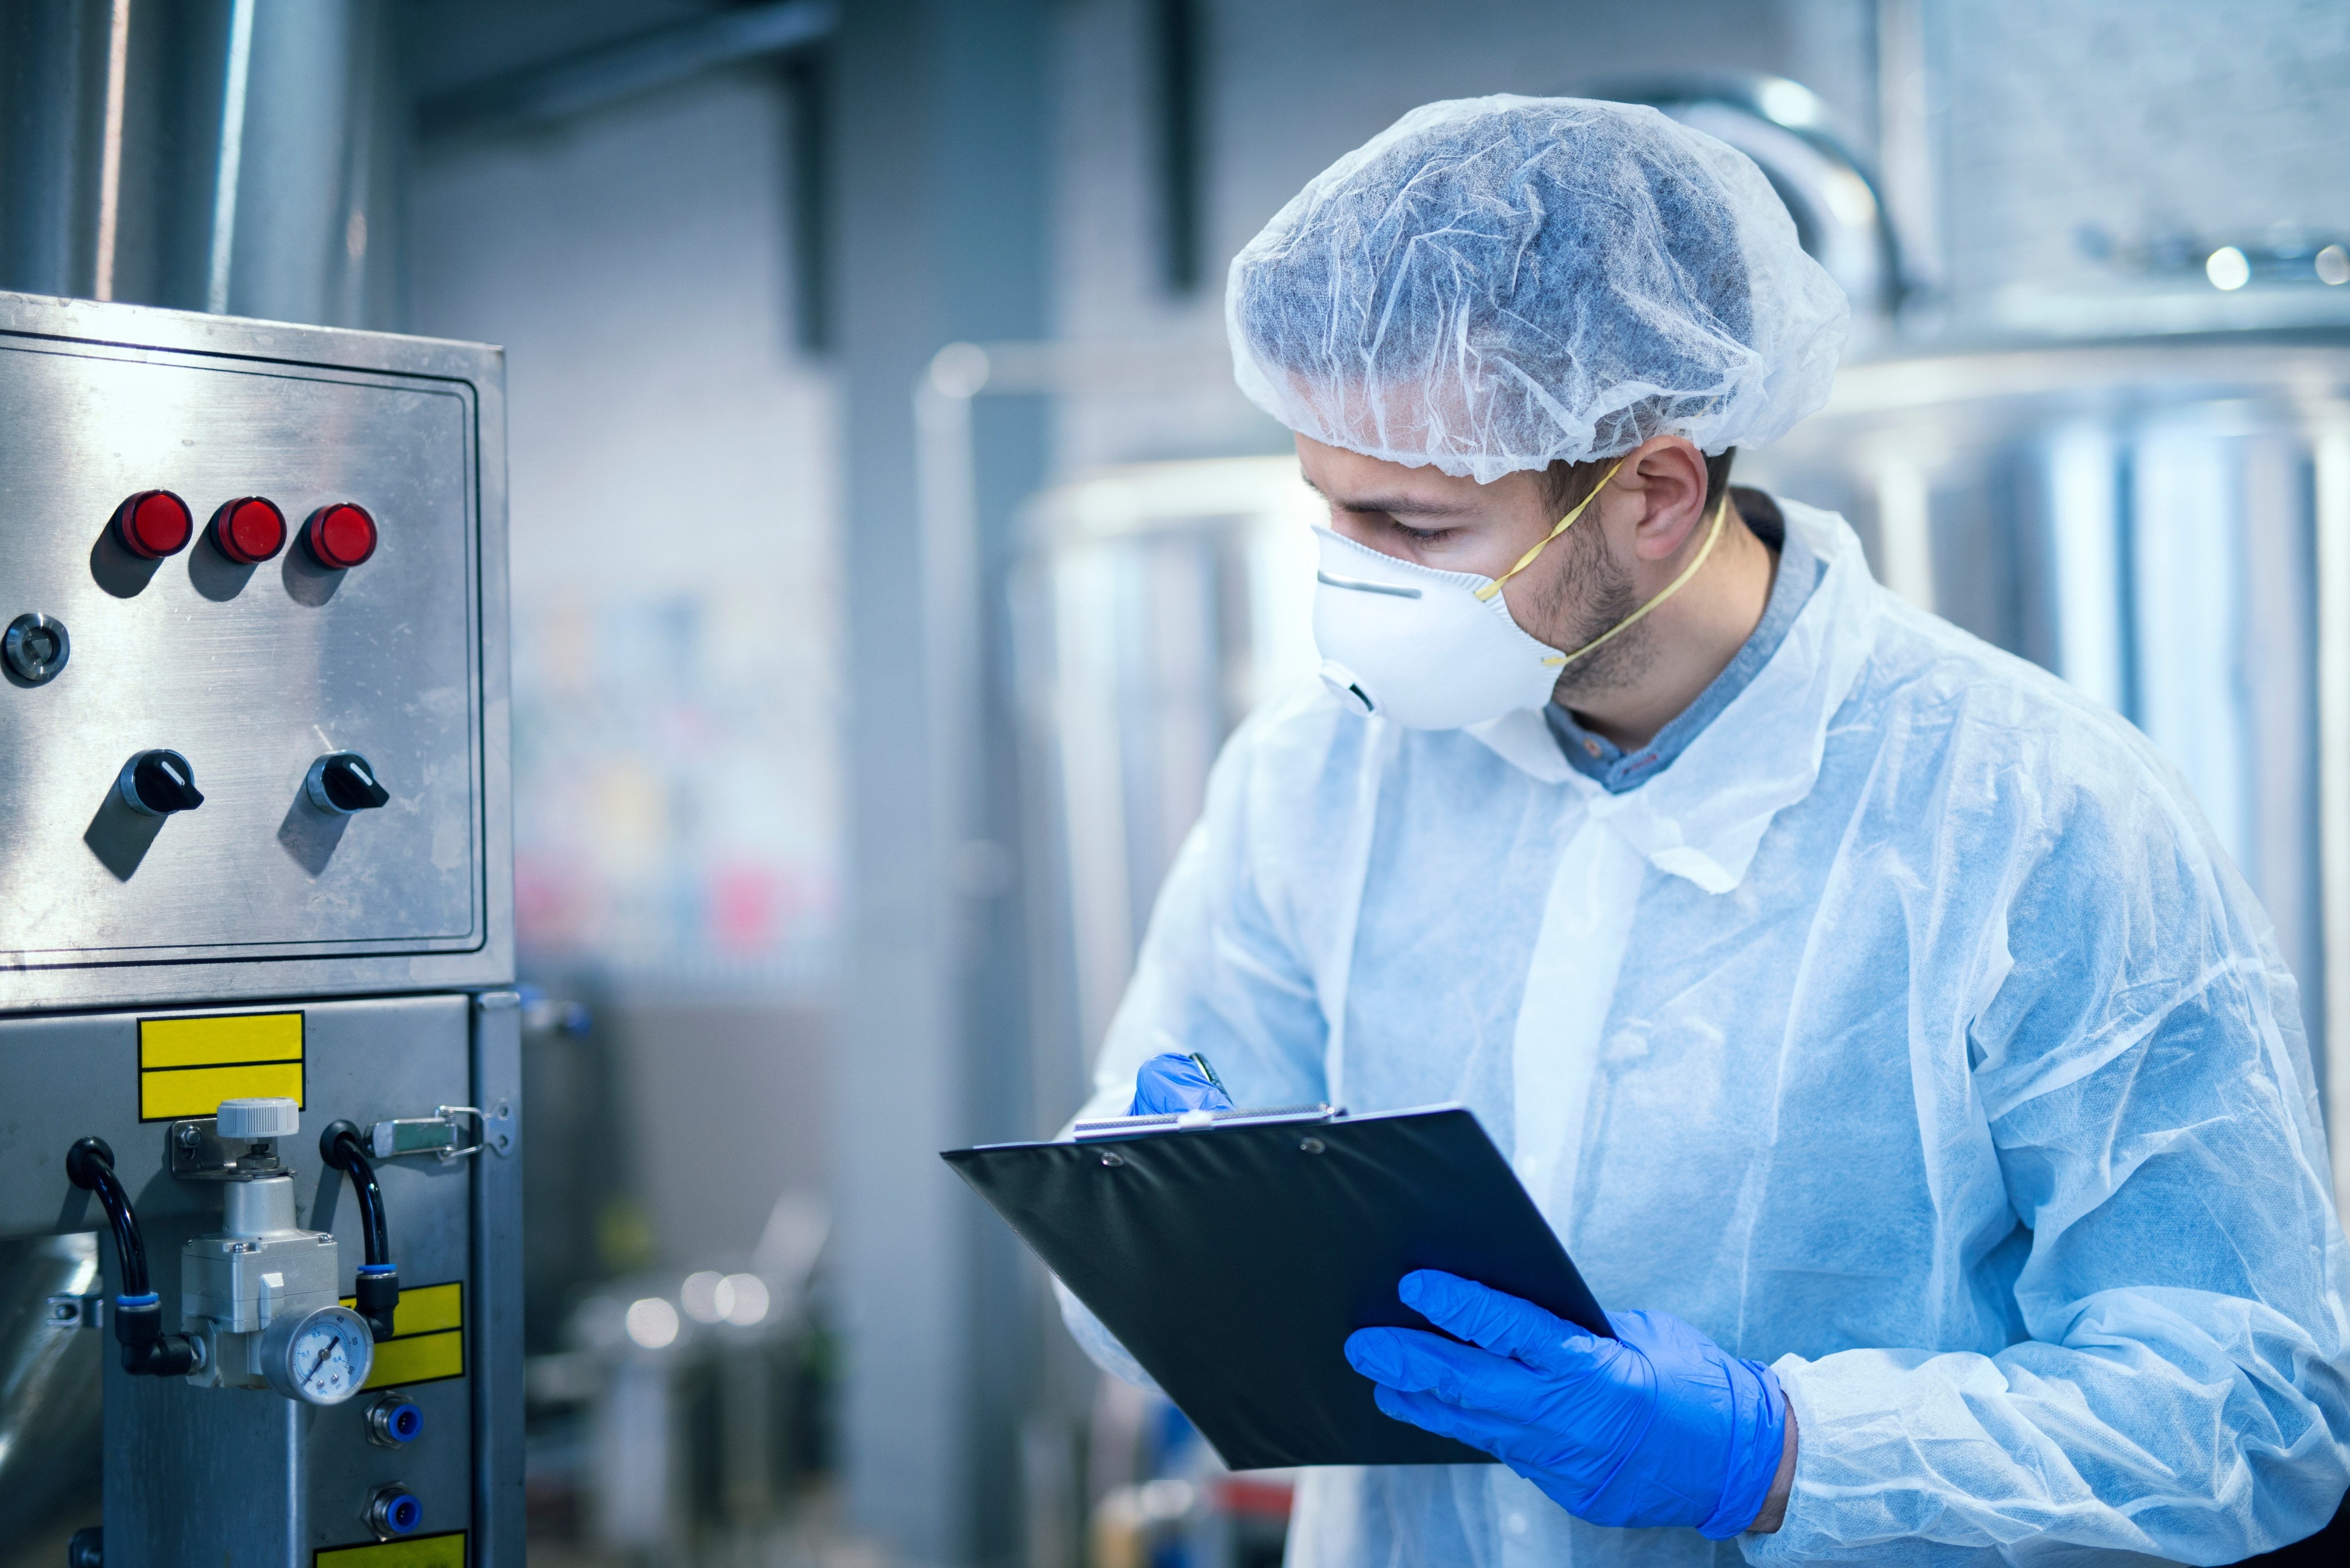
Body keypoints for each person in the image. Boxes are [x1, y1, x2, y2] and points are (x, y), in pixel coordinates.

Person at [1057, 95, 2350, 1566]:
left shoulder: (2030, 811)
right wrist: (1149, 1218)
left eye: (1413, 531)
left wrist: (1775, 1453)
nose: (1347, 585)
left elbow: (2245, 1410)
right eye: (1325, 510)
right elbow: (1130, 1297)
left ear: (1656, 492)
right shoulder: (1315, 775)